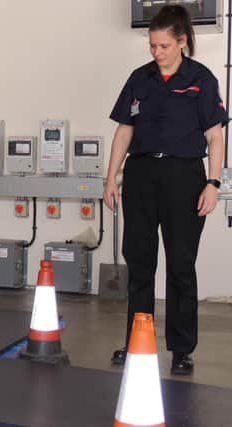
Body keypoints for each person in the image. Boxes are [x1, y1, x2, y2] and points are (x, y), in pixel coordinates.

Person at [104, 5, 227, 375]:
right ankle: (136, 342)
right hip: (141, 175)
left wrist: (213, 182)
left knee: (180, 266)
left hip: (184, 176)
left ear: (181, 42)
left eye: (162, 46)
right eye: (152, 45)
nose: (155, 52)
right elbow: (125, 129)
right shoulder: (139, 78)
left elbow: (215, 136)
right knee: (140, 264)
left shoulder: (201, 79)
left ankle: (182, 349)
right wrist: (111, 177)